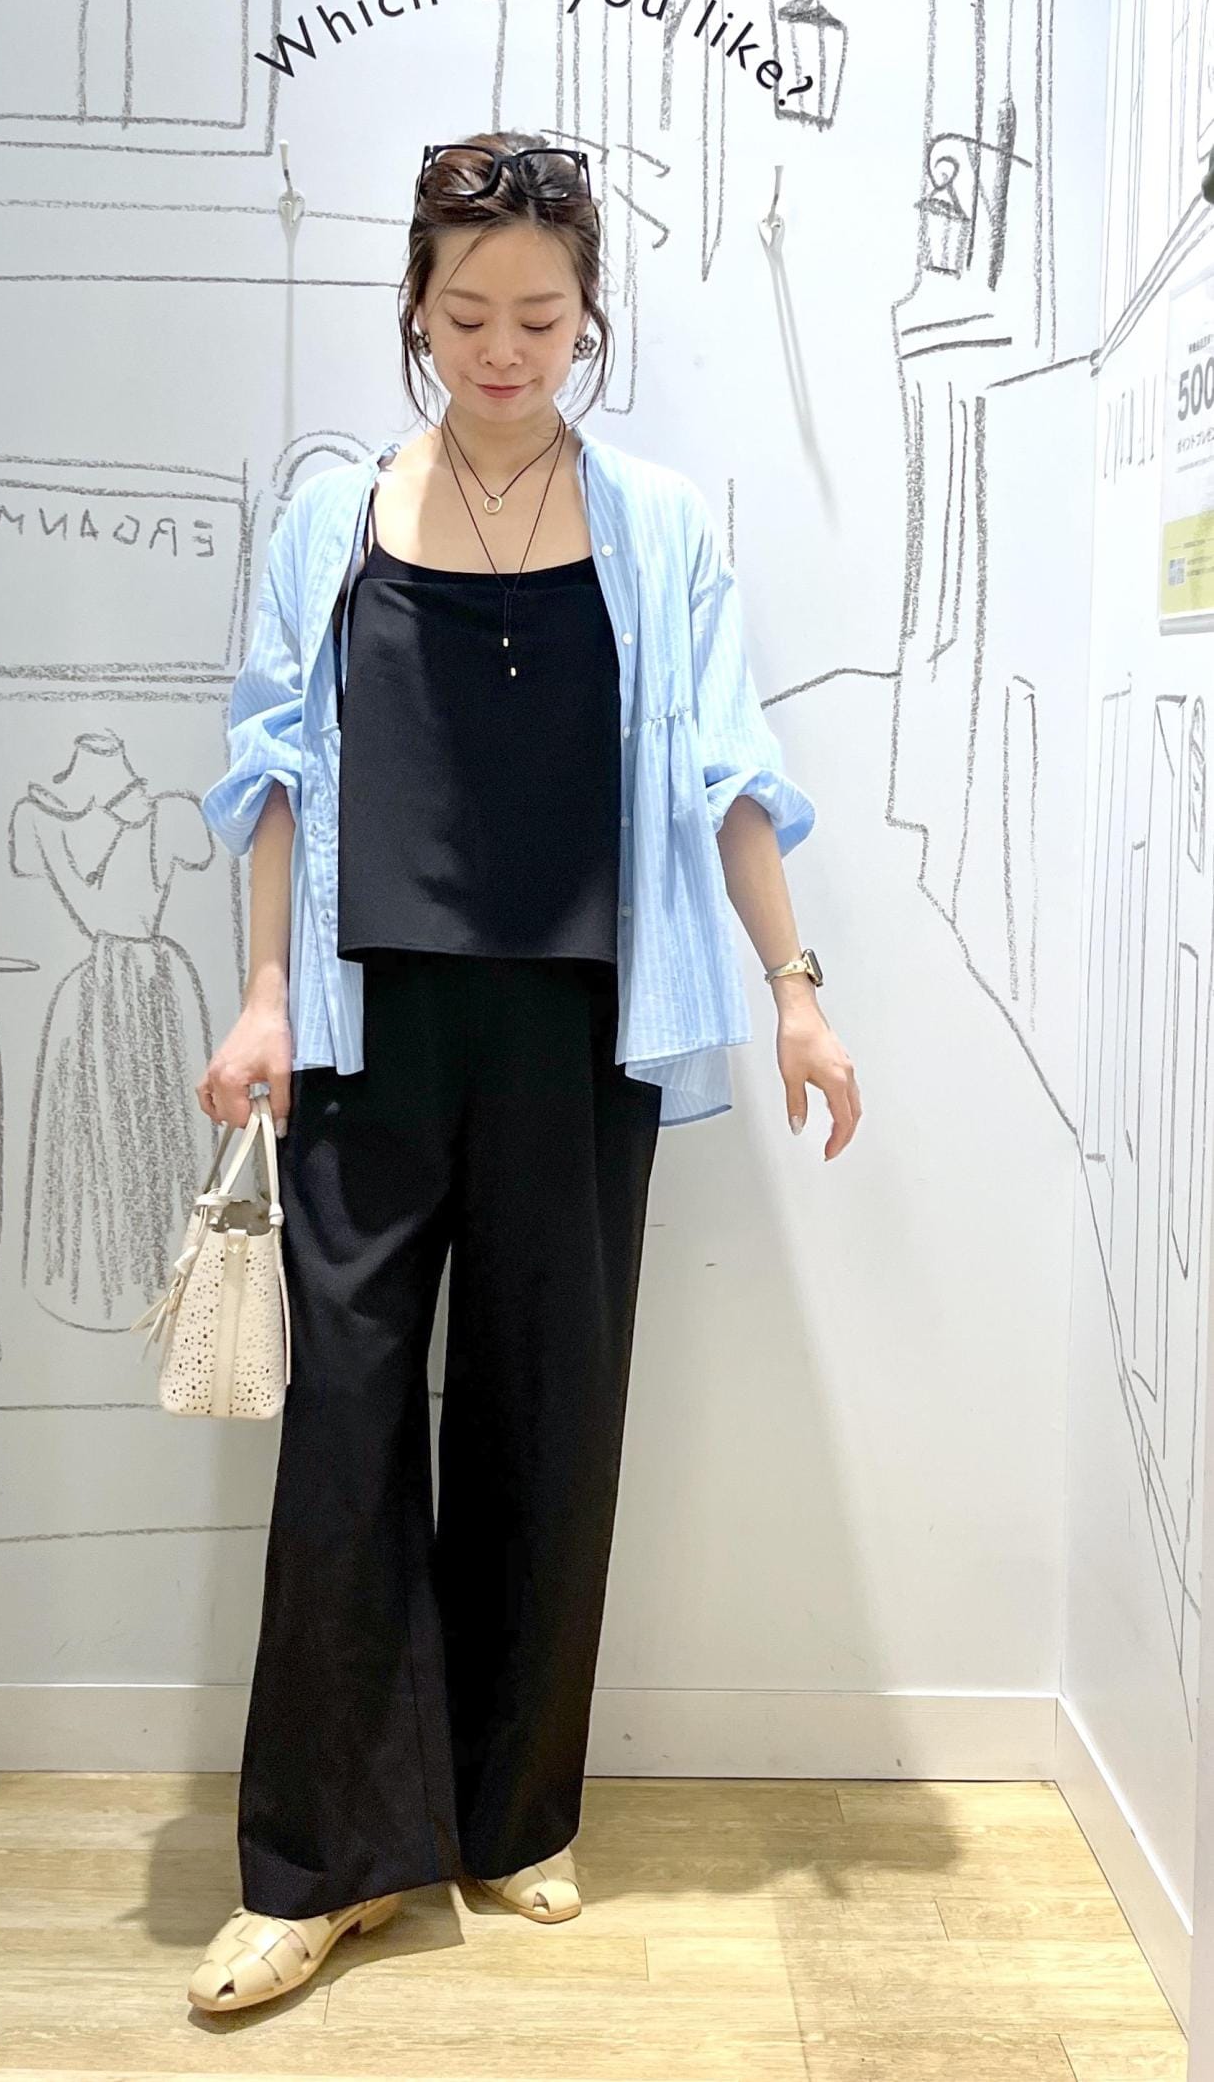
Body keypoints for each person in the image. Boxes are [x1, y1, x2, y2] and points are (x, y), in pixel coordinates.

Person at [186, 132, 861, 2016]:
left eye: (541, 318)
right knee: (345, 1427)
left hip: (578, 1030)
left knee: (547, 1417)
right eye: (469, 311)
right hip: (370, 1030)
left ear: (589, 321)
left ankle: (508, 1815)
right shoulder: (333, 518)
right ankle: (324, 1867)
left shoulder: (657, 527)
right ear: (416, 306)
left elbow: (728, 768)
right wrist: (263, 995)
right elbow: (273, 774)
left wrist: (796, 989)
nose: (503, 348)